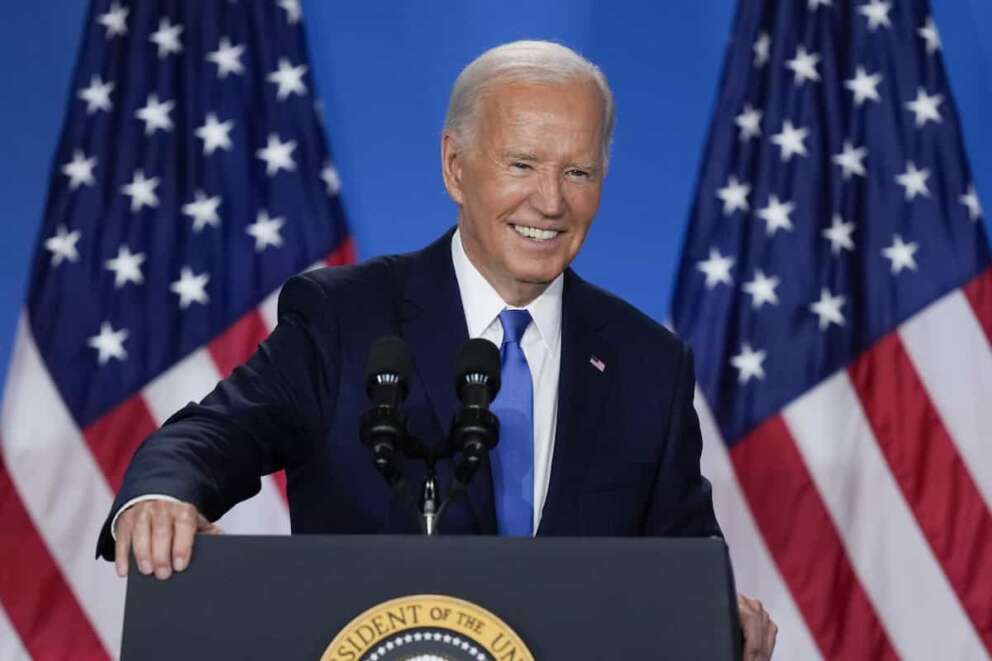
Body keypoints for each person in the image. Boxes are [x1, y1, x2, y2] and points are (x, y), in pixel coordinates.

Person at [97, 40, 777, 659]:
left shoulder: (647, 362)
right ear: (456, 168)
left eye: (579, 171)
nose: (550, 201)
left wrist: (719, 612)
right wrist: (160, 496)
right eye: (522, 164)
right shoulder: (345, 316)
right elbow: (214, 433)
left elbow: (684, 559)